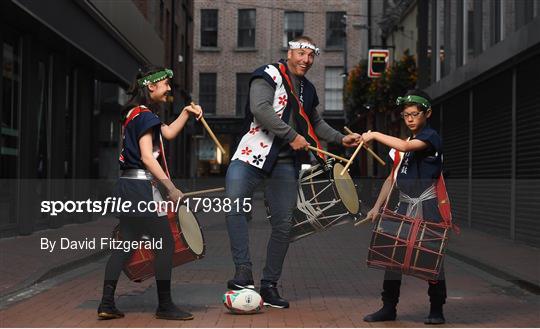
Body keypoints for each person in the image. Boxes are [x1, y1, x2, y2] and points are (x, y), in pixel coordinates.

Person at [225, 36, 361, 309]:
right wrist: (291, 135)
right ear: (289, 52)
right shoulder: (268, 74)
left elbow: (315, 122)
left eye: (310, 56)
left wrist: (338, 139)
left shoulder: (307, 89)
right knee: (234, 206)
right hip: (252, 152)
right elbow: (259, 108)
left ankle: (270, 285)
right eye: (301, 54)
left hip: (286, 163)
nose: (306, 60)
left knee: (284, 224)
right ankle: (243, 271)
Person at [97, 65, 202, 321]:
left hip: (128, 187)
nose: (168, 89)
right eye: (165, 84)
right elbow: (147, 157)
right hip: (140, 189)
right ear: (151, 86)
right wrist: (171, 187)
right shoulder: (144, 115)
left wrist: (186, 112)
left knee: (126, 243)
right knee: (165, 242)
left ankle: (106, 303)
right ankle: (164, 306)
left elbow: (167, 133)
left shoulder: (136, 113)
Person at [360, 89, 447, 325]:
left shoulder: (430, 137)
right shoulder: (404, 142)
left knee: (430, 254)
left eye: (414, 114)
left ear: (427, 113)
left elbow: (405, 147)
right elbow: (392, 178)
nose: (409, 119)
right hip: (404, 204)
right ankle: (389, 307)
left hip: (427, 204)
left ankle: (437, 308)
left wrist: (375, 134)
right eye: (406, 115)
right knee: (392, 255)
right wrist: (377, 207)